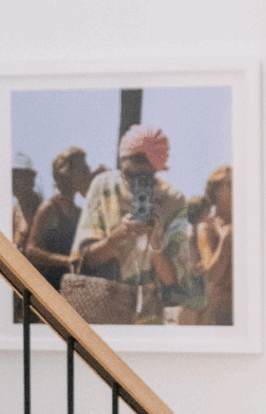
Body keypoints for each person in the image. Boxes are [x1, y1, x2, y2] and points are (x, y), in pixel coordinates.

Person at [72, 124, 184, 322]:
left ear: (156, 169)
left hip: (150, 315)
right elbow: (86, 260)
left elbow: (173, 283)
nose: (135, 183)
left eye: (144, 177)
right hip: (104, 306)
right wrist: (119, 234)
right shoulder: (103, 186)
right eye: (128, 174)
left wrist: (155, 241)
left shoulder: (172, 200)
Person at [24, 147, 95, 291]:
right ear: (67, 175)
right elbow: (31, 250)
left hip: (74, 287)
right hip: (52, 286)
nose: (87, 173)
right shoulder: (50, 207)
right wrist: (66, 260)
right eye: (83, 170)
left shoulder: (79, 211)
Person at [192, 165, 233, 326]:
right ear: (216, 191)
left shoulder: (249, 220)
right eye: (230, 185)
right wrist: (225, 239)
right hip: (218, 311)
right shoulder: (207, 227)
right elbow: (212, 275)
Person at [11, 151, 42, 253]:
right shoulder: (14, 210)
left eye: (18, 176)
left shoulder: (42, 208)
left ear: (31, 179)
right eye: (11, 176)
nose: (13, 181)